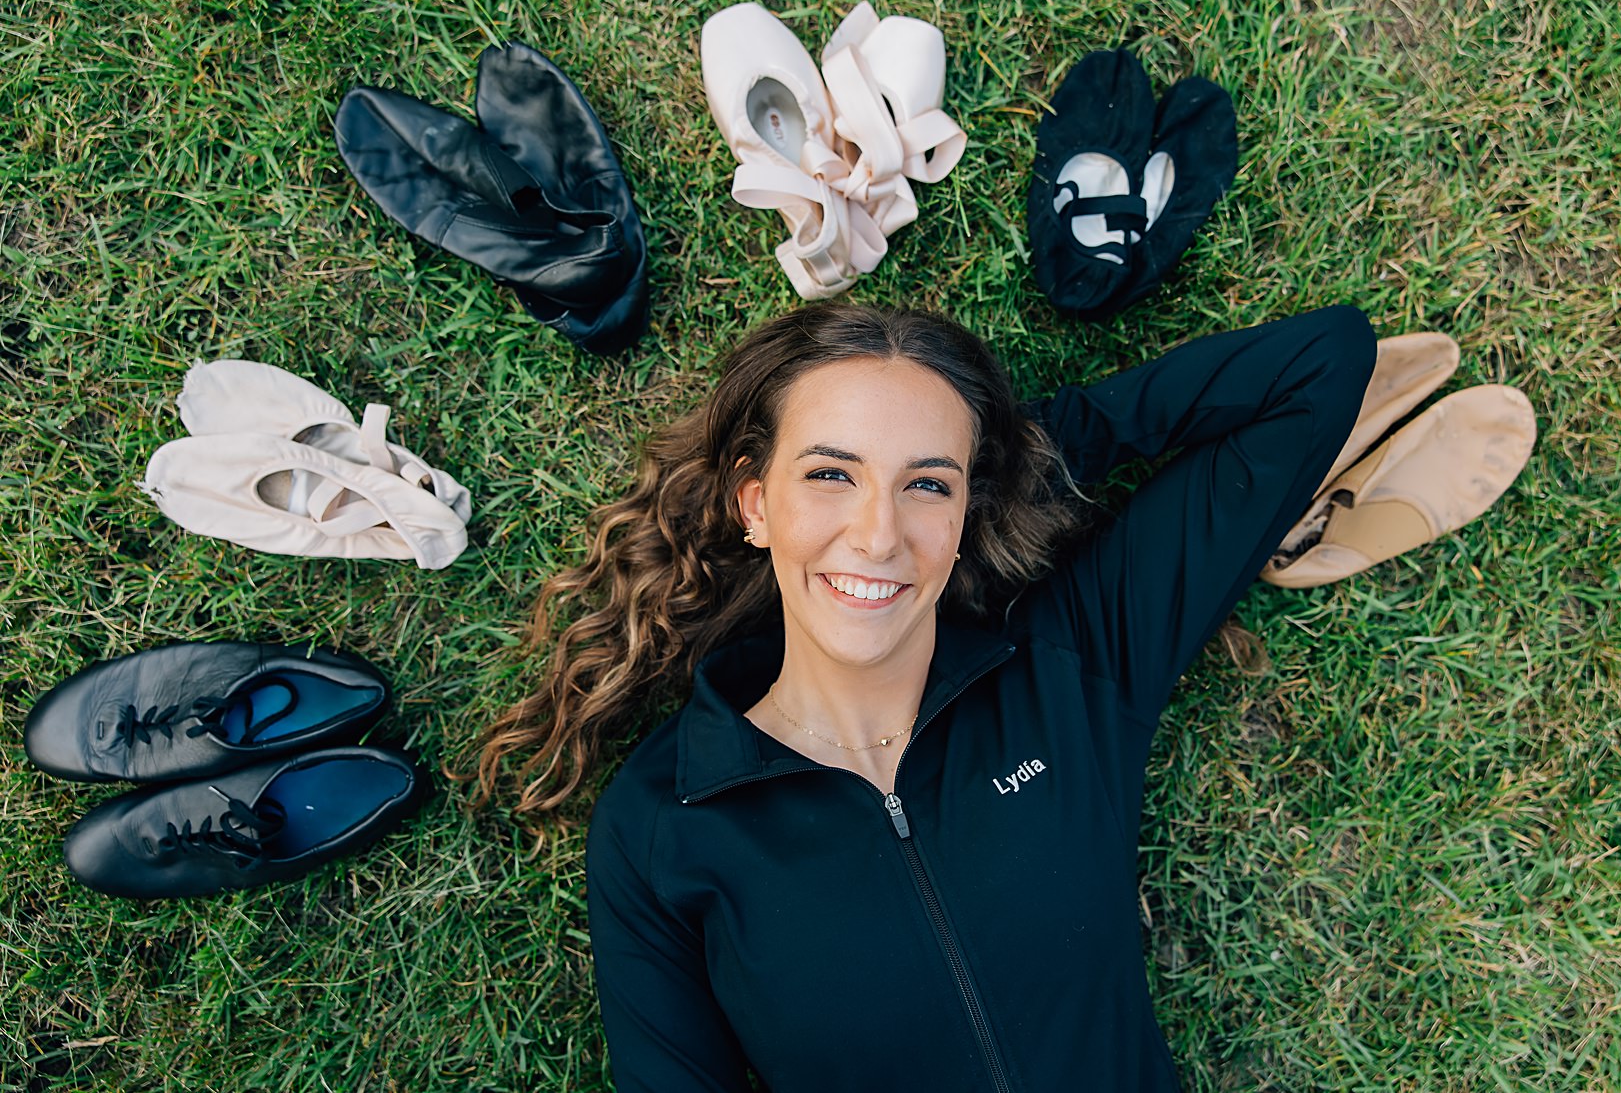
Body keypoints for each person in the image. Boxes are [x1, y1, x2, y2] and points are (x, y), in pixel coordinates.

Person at [472, 300, 1376, 1092]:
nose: (878, 535)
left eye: (926, 484)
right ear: (756, 505)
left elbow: (1322, 364)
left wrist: (1010, 470)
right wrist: (946, 467)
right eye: (832, 473)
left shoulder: (1066, 670)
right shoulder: (661, 822)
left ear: (966, 510)